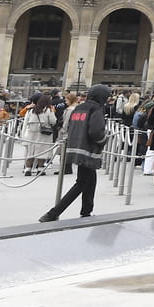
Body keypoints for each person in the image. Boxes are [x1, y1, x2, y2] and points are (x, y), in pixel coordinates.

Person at [40, 84, 110, 222]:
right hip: (88, 149)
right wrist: (103, 140)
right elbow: (95, 131)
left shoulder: (79, 108)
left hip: (75, 146)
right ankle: (52, 213)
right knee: (82, 183)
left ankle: (87, 211)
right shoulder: (96, 109)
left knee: (90, 180)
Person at [20, 94, 55, 175]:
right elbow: (53, 121)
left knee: (30, 152)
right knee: (42, 151)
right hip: (43, 134)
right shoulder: (48, 110)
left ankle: (28, 169)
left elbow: (26, 122)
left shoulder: (31, 110)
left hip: (31, 133)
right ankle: (40, 169)